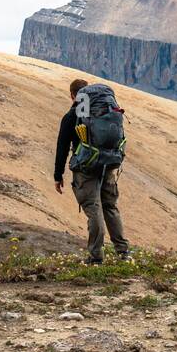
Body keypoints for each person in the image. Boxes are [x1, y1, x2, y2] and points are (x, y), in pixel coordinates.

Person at [55, 78, 130, 264]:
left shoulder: (72, 116)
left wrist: (58, 175)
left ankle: (96, 256)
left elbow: (62, 147)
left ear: (73, 95)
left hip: (86, 168)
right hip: (108, 163)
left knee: (94, 209)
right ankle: (123, 252)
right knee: (110, 207)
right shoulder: (103, 111)